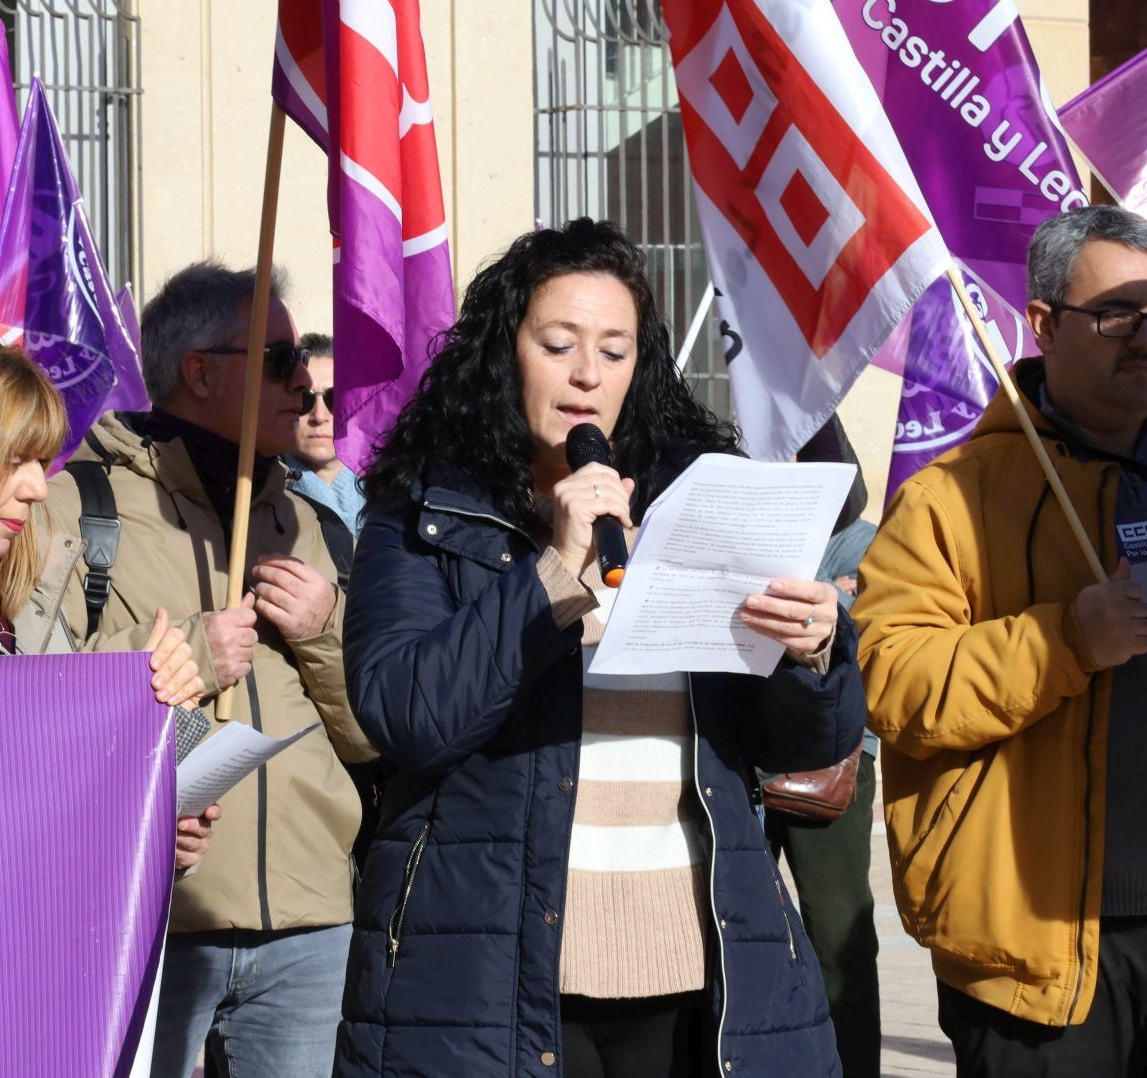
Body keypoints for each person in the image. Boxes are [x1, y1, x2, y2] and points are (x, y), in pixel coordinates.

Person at [337, 218, 864, 1077]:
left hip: (695, 971)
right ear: (505, 353)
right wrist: (549, 573)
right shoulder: (425, 513)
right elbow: (406, 713)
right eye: (559, 344)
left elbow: (798, 748)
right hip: (492, 976)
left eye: (615, 352)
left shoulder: (698, 504)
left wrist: (813, 655)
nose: (587, 375)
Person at [854, 204, 1147, 1076]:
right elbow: (892, 682)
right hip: (1039, 948)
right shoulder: (952, 498)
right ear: (1042, 325)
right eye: (1118, 316)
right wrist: (1062, 640)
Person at [39, 262, 375, 1078]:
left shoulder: (315, 527)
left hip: (311, 923)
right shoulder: (80, 507)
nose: (306, 383)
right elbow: (31, 699)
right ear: (198, 372)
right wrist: (186, 650)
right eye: (279, 360)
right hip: (146, 919)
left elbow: (373, 731)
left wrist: (328, 632)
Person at [0, 330, 220, 871]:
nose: (38, 488)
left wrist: (165, 823)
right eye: (12, 460)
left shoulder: (28, 596)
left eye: (40, 463)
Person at [761, 415, 881, 1078]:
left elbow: (870, 640)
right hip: (748, 753)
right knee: (739, 929)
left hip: (835, 765)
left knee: (838, 935)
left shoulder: (865, 544)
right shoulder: (754, 534)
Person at [282, 331, 366, 532]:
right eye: (304, 398)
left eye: (335, 399)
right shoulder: (257, 498)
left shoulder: (394, 494)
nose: (319, 416)